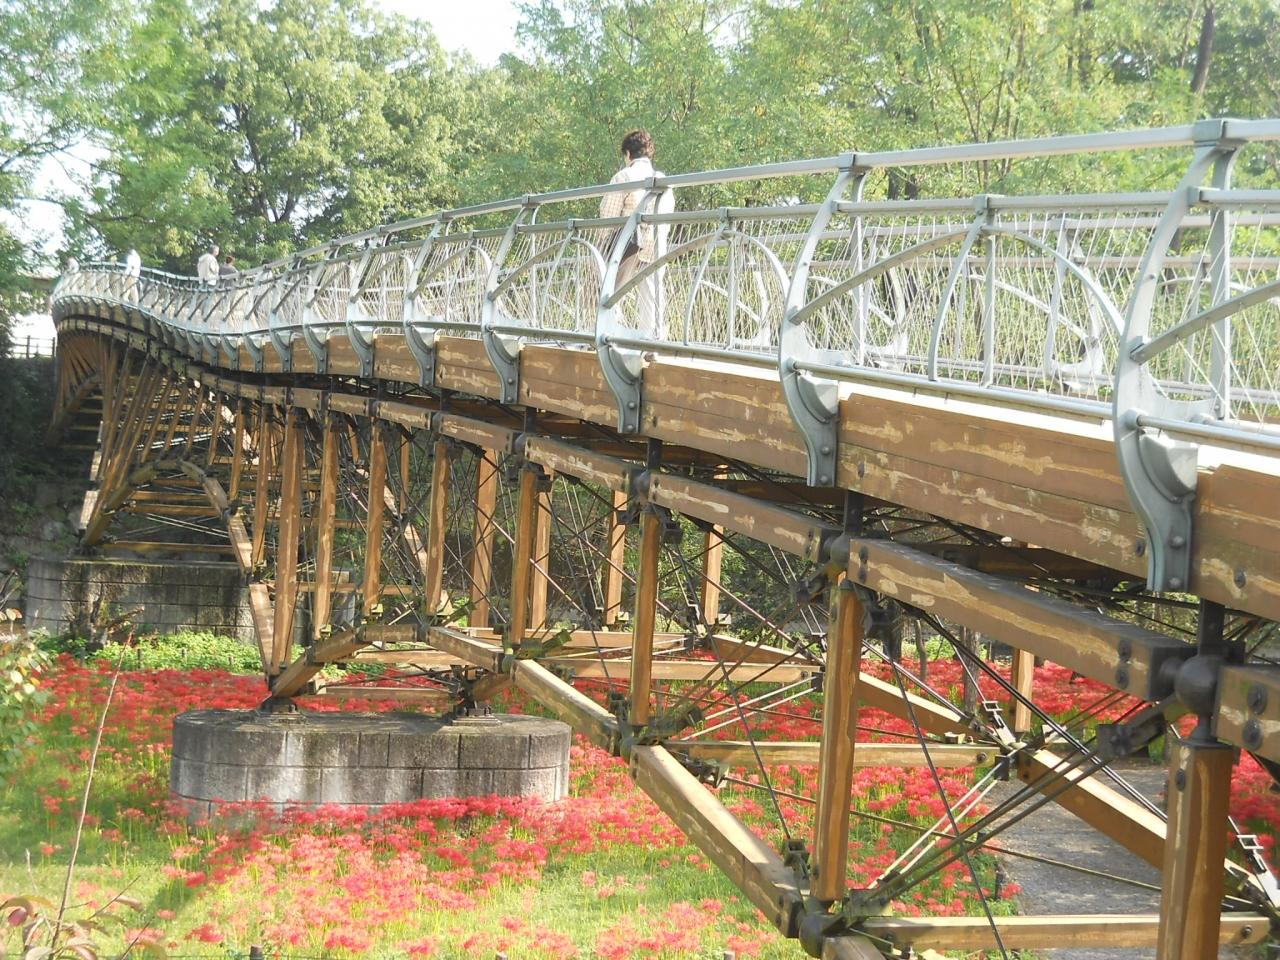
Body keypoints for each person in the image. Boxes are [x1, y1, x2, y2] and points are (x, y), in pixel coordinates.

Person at [599, 129, 674, 338]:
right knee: (652, 294)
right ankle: (651, 341)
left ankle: (611, 335)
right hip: (656, 244)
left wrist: (601, 245)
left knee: (611, 291)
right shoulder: (662, 180)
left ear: (628, 154)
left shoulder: (624, 176)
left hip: (628, 245)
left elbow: (608, 215)